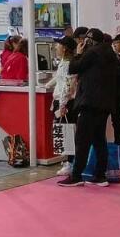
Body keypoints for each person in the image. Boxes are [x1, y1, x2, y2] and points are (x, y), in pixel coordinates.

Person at [58, 28, 118, 187]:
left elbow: (73, 68)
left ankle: (76, 175)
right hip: (105, 103)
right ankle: (100, 175)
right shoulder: (111, 54)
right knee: (99, 140)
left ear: (89, 40)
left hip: (90, 102)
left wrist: (78, 54)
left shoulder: (92, 53)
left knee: (82, 140)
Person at [46, 36, 77, 177]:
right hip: (63, 101)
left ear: (64, 48)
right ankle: (68, 161)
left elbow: (67, 86)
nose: (55, 47)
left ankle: (70, 163)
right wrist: (47, 85)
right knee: (64, 132)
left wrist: (63, 105)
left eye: (58, 45)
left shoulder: (68, 64)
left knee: (66, 133)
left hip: (65, 103)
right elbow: (59, 79)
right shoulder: (64, 63)